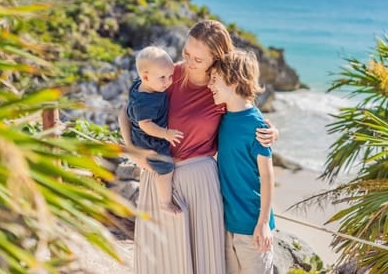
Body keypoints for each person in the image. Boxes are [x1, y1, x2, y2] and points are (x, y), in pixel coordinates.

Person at [118, 19, 278, 274]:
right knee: (161, 263)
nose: (188, 63)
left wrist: (272, 131)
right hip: (160, 181)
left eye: (198, 59)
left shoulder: (221, 89)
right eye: (186, 54)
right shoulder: (167, 75)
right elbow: (127, 114)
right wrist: (134, 152)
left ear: (217, 60)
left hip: (201, 185)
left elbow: (246, 118)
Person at [208, 49, 275, 274]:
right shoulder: (223, 118)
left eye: (215, 79)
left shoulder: (256, 124)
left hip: (253, 227)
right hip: (228, 223)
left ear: (234, 81)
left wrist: (264, 223)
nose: (210, 85)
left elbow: (267, 176)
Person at [125, 46, 183, 214]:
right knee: (166, 168)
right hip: (148, 139)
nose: (168, 81)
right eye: (163, 77)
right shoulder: (146, 101)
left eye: (170, 76)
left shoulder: (141, 83)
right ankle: (165, 202)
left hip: (145, 134)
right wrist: (165, 133)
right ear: (145, 76)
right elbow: (145, 125)